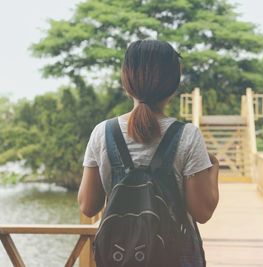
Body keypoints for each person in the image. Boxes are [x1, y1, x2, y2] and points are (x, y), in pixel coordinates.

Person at [78, 39, 219, 233]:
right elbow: (203, 213)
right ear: (174, 84)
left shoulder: (102, 132)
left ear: (127, 82)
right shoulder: (188, 135)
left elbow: (88, 206)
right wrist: (215, 167)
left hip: (119, 256)